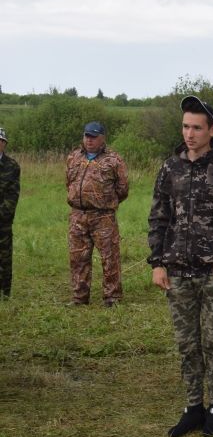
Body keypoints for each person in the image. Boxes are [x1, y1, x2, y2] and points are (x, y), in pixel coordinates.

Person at [148, 96, 213, 437]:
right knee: (186, 343)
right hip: (178, 271)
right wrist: (157, 262)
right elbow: (158, 217)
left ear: (212, 130)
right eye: (185, 126)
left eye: (197, 127)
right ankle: (193, 406)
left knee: (212, 341)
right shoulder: (170, 167)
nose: (190, 133)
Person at [65, 122, 129, 307]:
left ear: (102, 138)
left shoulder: (114, 160)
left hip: (103, 217)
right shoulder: (74, 157)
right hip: (78, 215)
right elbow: (68, 182)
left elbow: (123, 189)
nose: (89, 140)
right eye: (87, 136)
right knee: (78, 258)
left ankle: (112, 297)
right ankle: (79, 297)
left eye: (93, 136)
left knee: (110, 258)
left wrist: (105, 203)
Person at [0, 128, 19, 299]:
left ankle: (5, 291)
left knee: (4, 256)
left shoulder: (12, 166)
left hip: (2, 221)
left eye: (1, 141)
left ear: (4, 144)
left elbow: (12, 196)